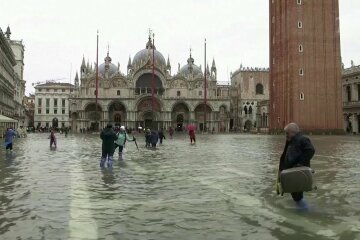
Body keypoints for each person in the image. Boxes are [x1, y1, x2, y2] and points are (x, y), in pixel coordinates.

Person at [278, 123, 315, 202]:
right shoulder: (290, 140)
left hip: (297, 172)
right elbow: (284, 155)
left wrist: (300, 164)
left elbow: (310, 150)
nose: (286, 135)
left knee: (297, 195)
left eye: (287, 133)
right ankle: (303, 209)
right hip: (291, 172)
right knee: (294, 194)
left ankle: (305, 211)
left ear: (294, 132)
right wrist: (281, 170)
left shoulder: (302, 139)